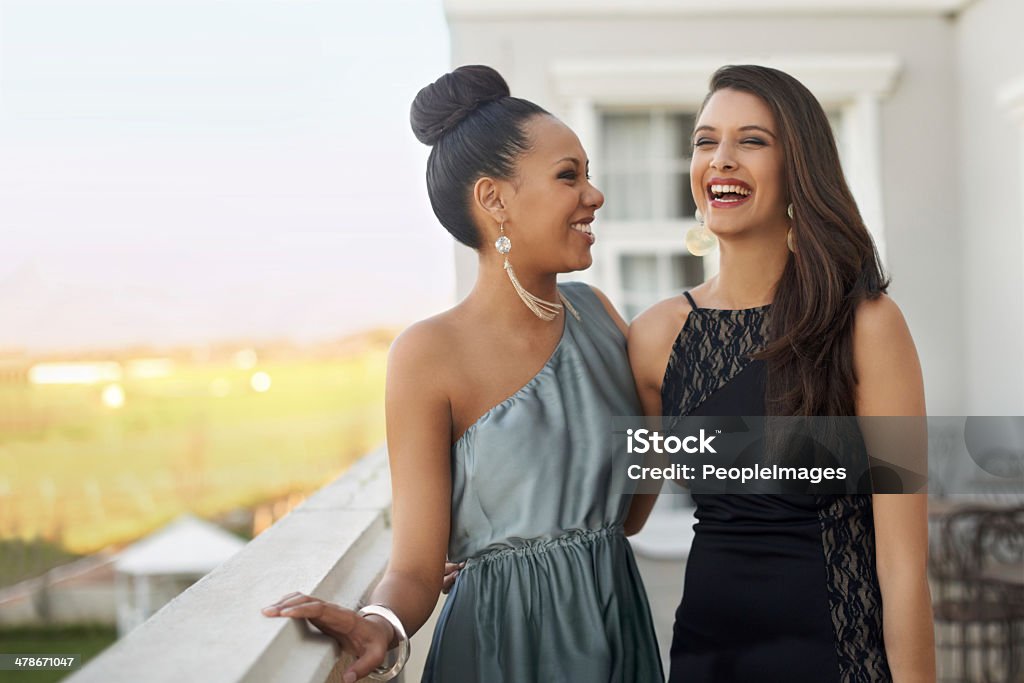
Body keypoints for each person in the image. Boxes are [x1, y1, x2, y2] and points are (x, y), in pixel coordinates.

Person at [262, 65, 663, 683]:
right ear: (494, 199)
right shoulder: (429, 353)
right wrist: (379, 623)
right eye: (568, 176)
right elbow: (418, 569)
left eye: (588, 174)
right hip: (503, 646)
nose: (594, 194)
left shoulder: (601, 314)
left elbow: (629, 515)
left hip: (616, 626)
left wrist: (665, 403)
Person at [626, 65, 936, 682]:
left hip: (836, 657)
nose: (721, 159)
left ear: (799, 166)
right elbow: (621, 512)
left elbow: (903, 565)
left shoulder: (867, 324)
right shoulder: (656, 335)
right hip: (706, 656)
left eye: (752, 141)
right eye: (705, 141)